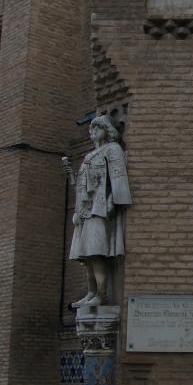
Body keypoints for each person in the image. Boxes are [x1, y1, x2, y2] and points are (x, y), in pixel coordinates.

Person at [62, 115, 132, 307]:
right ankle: (91, 293)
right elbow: (83, 186)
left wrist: (113, 201)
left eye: (97, 128)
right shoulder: (89, 155)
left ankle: (101, 294)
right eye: (91, 129)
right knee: (86, 255)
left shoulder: (113, 149)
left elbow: (117, 178)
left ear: (107, 130)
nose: (92, 132)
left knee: (95, 250)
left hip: (100, 208)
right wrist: (71, 175)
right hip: (85, 210)